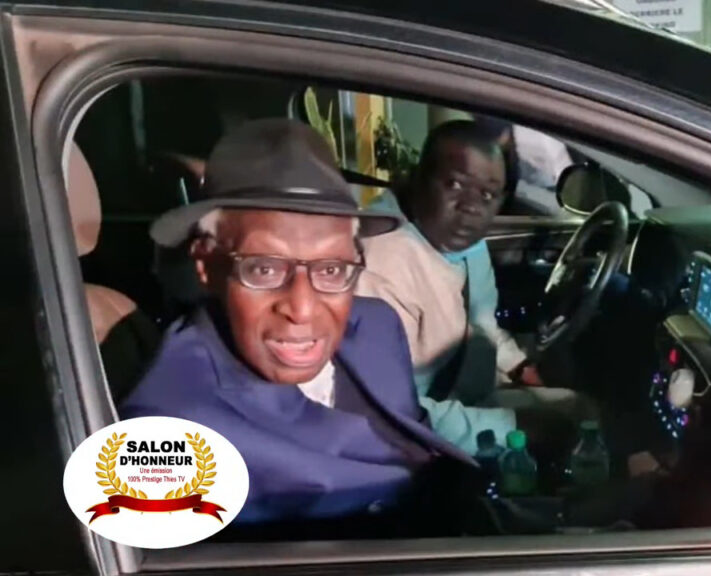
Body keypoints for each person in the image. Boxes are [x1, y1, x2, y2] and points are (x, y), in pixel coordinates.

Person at [119, 119, 476, 533]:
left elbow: (414, 439)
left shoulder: (376, 325)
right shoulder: (169, 433)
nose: (303, 309)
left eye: (331, 268)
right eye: (263, 269)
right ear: (207, 265)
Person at [357, 120, 591, 454]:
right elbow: (393, 414)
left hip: (469, 392)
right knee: (568, 429)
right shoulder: (382, 266)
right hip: (417, 434)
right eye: (455, 184)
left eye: (487, 194)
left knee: (581, 411)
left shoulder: (461, 241)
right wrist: (516, 427)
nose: (471, 206)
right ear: (418, 179)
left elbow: (482, 320)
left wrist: (519, 366)